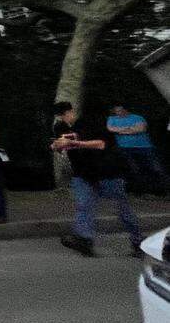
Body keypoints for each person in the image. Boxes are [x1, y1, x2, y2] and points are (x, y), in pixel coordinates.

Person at [52, 101, 144, 257]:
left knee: (122, 209)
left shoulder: (93, 122)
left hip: (107, 172)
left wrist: (73, 142)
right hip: (83, 173)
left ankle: (139, 243)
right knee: (84, 205)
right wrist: (58, 146)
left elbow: (100, 144)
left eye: (65, 114)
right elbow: (65, 147)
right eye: (60, 116)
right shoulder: (60, 127)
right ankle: (85, 241)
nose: (64, 118)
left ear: (72, 111)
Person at [108, 104, 167, 195]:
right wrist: (130, 129)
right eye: (116, 111)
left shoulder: (137, 118)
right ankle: (138, 190)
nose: (119, 113)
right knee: (133, 168)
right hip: (124, 147)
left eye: (120, 110)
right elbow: (111, 129)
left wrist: (121, 130)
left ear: (126, 110)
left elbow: (141, 129)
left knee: (154, 168)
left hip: (144, 147)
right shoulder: (112, 119)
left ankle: (160, 190)